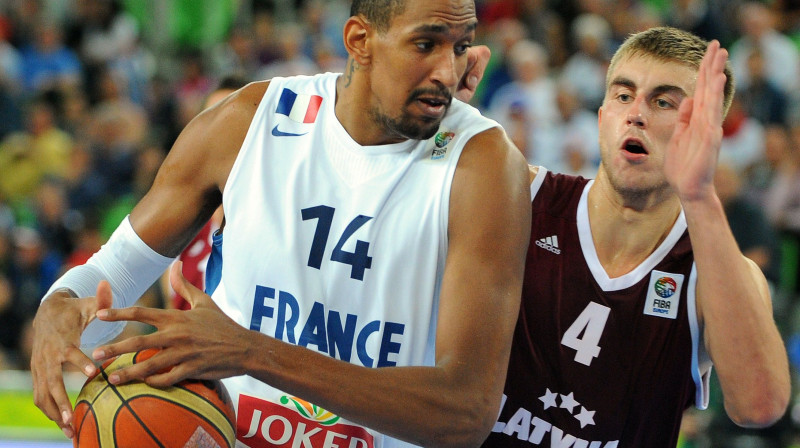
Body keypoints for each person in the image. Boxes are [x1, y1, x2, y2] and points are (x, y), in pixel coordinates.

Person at [30, 2, 531, 448]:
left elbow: (465, 414)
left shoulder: (483, 165)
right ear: (359, 41)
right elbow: (115, 272)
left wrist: (252, 352)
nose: (448, 70)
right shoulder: (247, 122)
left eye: (461, 46)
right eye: (425, 44)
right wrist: (58, 309)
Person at [483, 27, 790, 448]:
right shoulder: (522, 197)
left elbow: (760, 405)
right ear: (602, 117)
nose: (637, 113)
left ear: (707, 133)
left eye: (664, 102)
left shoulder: (715, 274)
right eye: (623, 96)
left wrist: (699, 195)